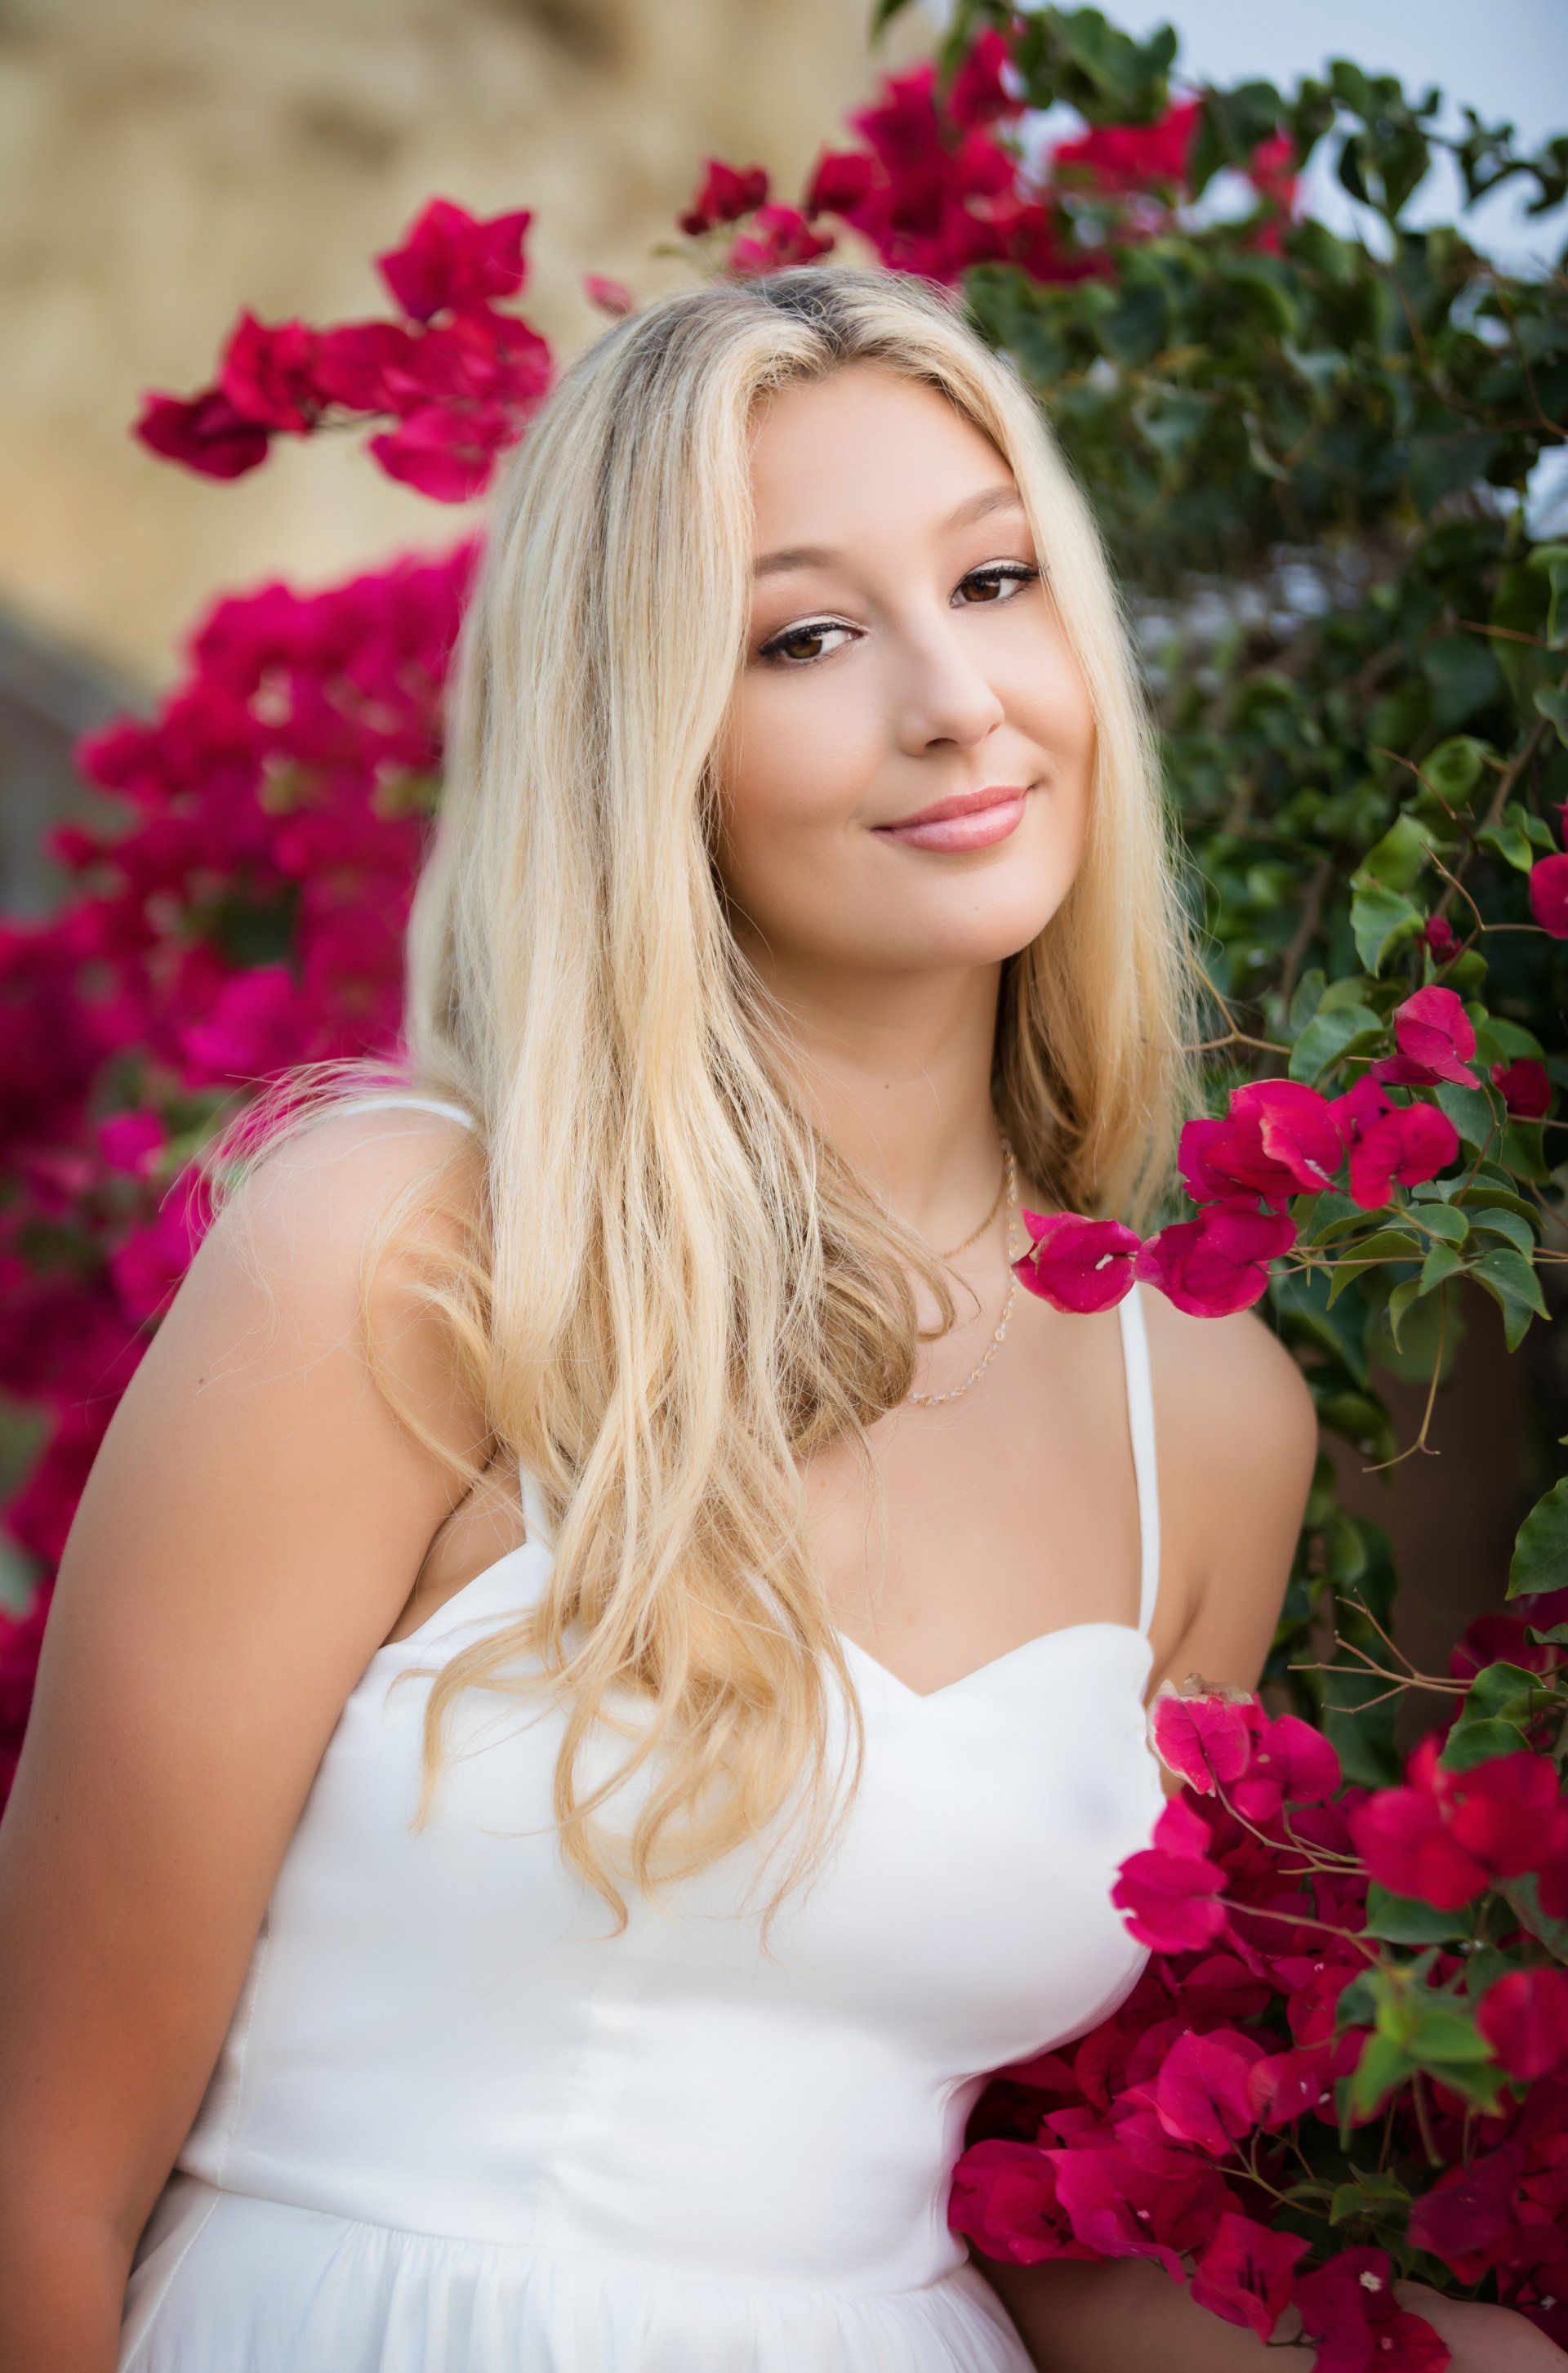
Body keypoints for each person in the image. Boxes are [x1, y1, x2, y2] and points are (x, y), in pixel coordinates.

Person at [0, 266, 1554, 2373]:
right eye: (808, 633)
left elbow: (1013, 2205)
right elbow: (41, 2164)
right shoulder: (407, 1251)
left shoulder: (1211, 1415)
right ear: (644, 735)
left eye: (997, 581)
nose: (958, 698)